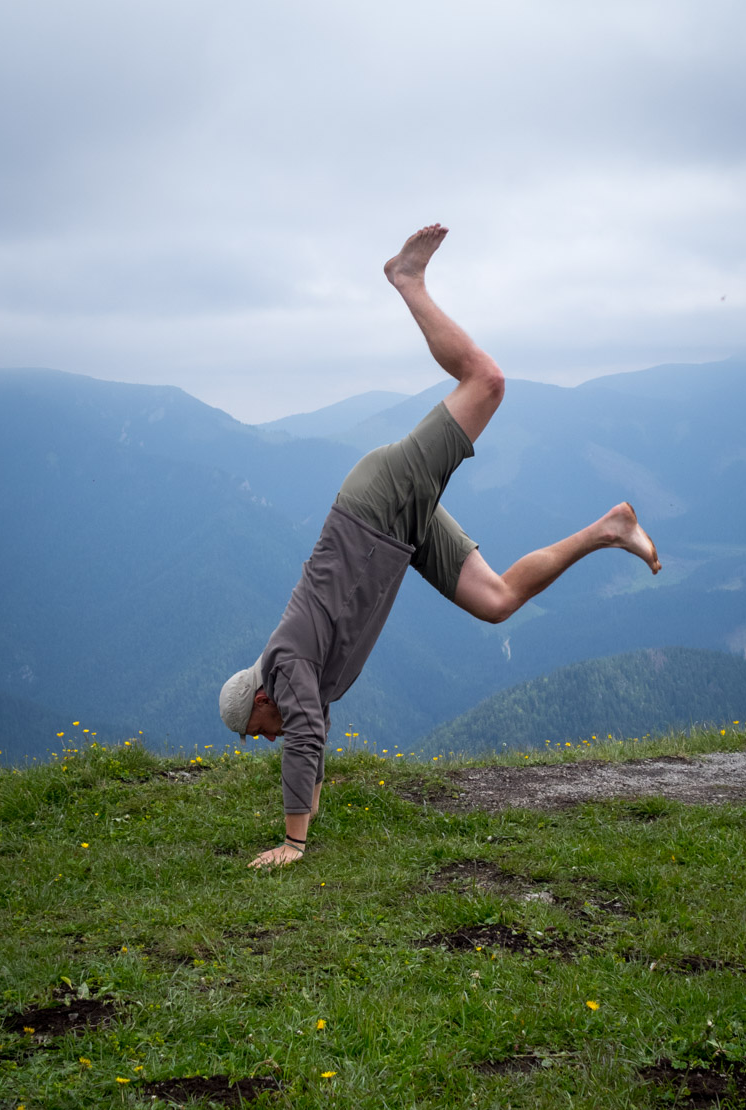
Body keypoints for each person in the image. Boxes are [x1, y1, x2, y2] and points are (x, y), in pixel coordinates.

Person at [219, 225, 661, 868]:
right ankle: (609, 529)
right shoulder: (299, 679)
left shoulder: (284, 663)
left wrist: (292, 844)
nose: (268, 736)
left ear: (260, 700)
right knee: (498, 600)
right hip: (393, 532)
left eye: (258, 731)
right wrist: (307, 813)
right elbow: (311, 741)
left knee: (486, 380)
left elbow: (302, 739)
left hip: (376, 502)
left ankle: (407, 279)